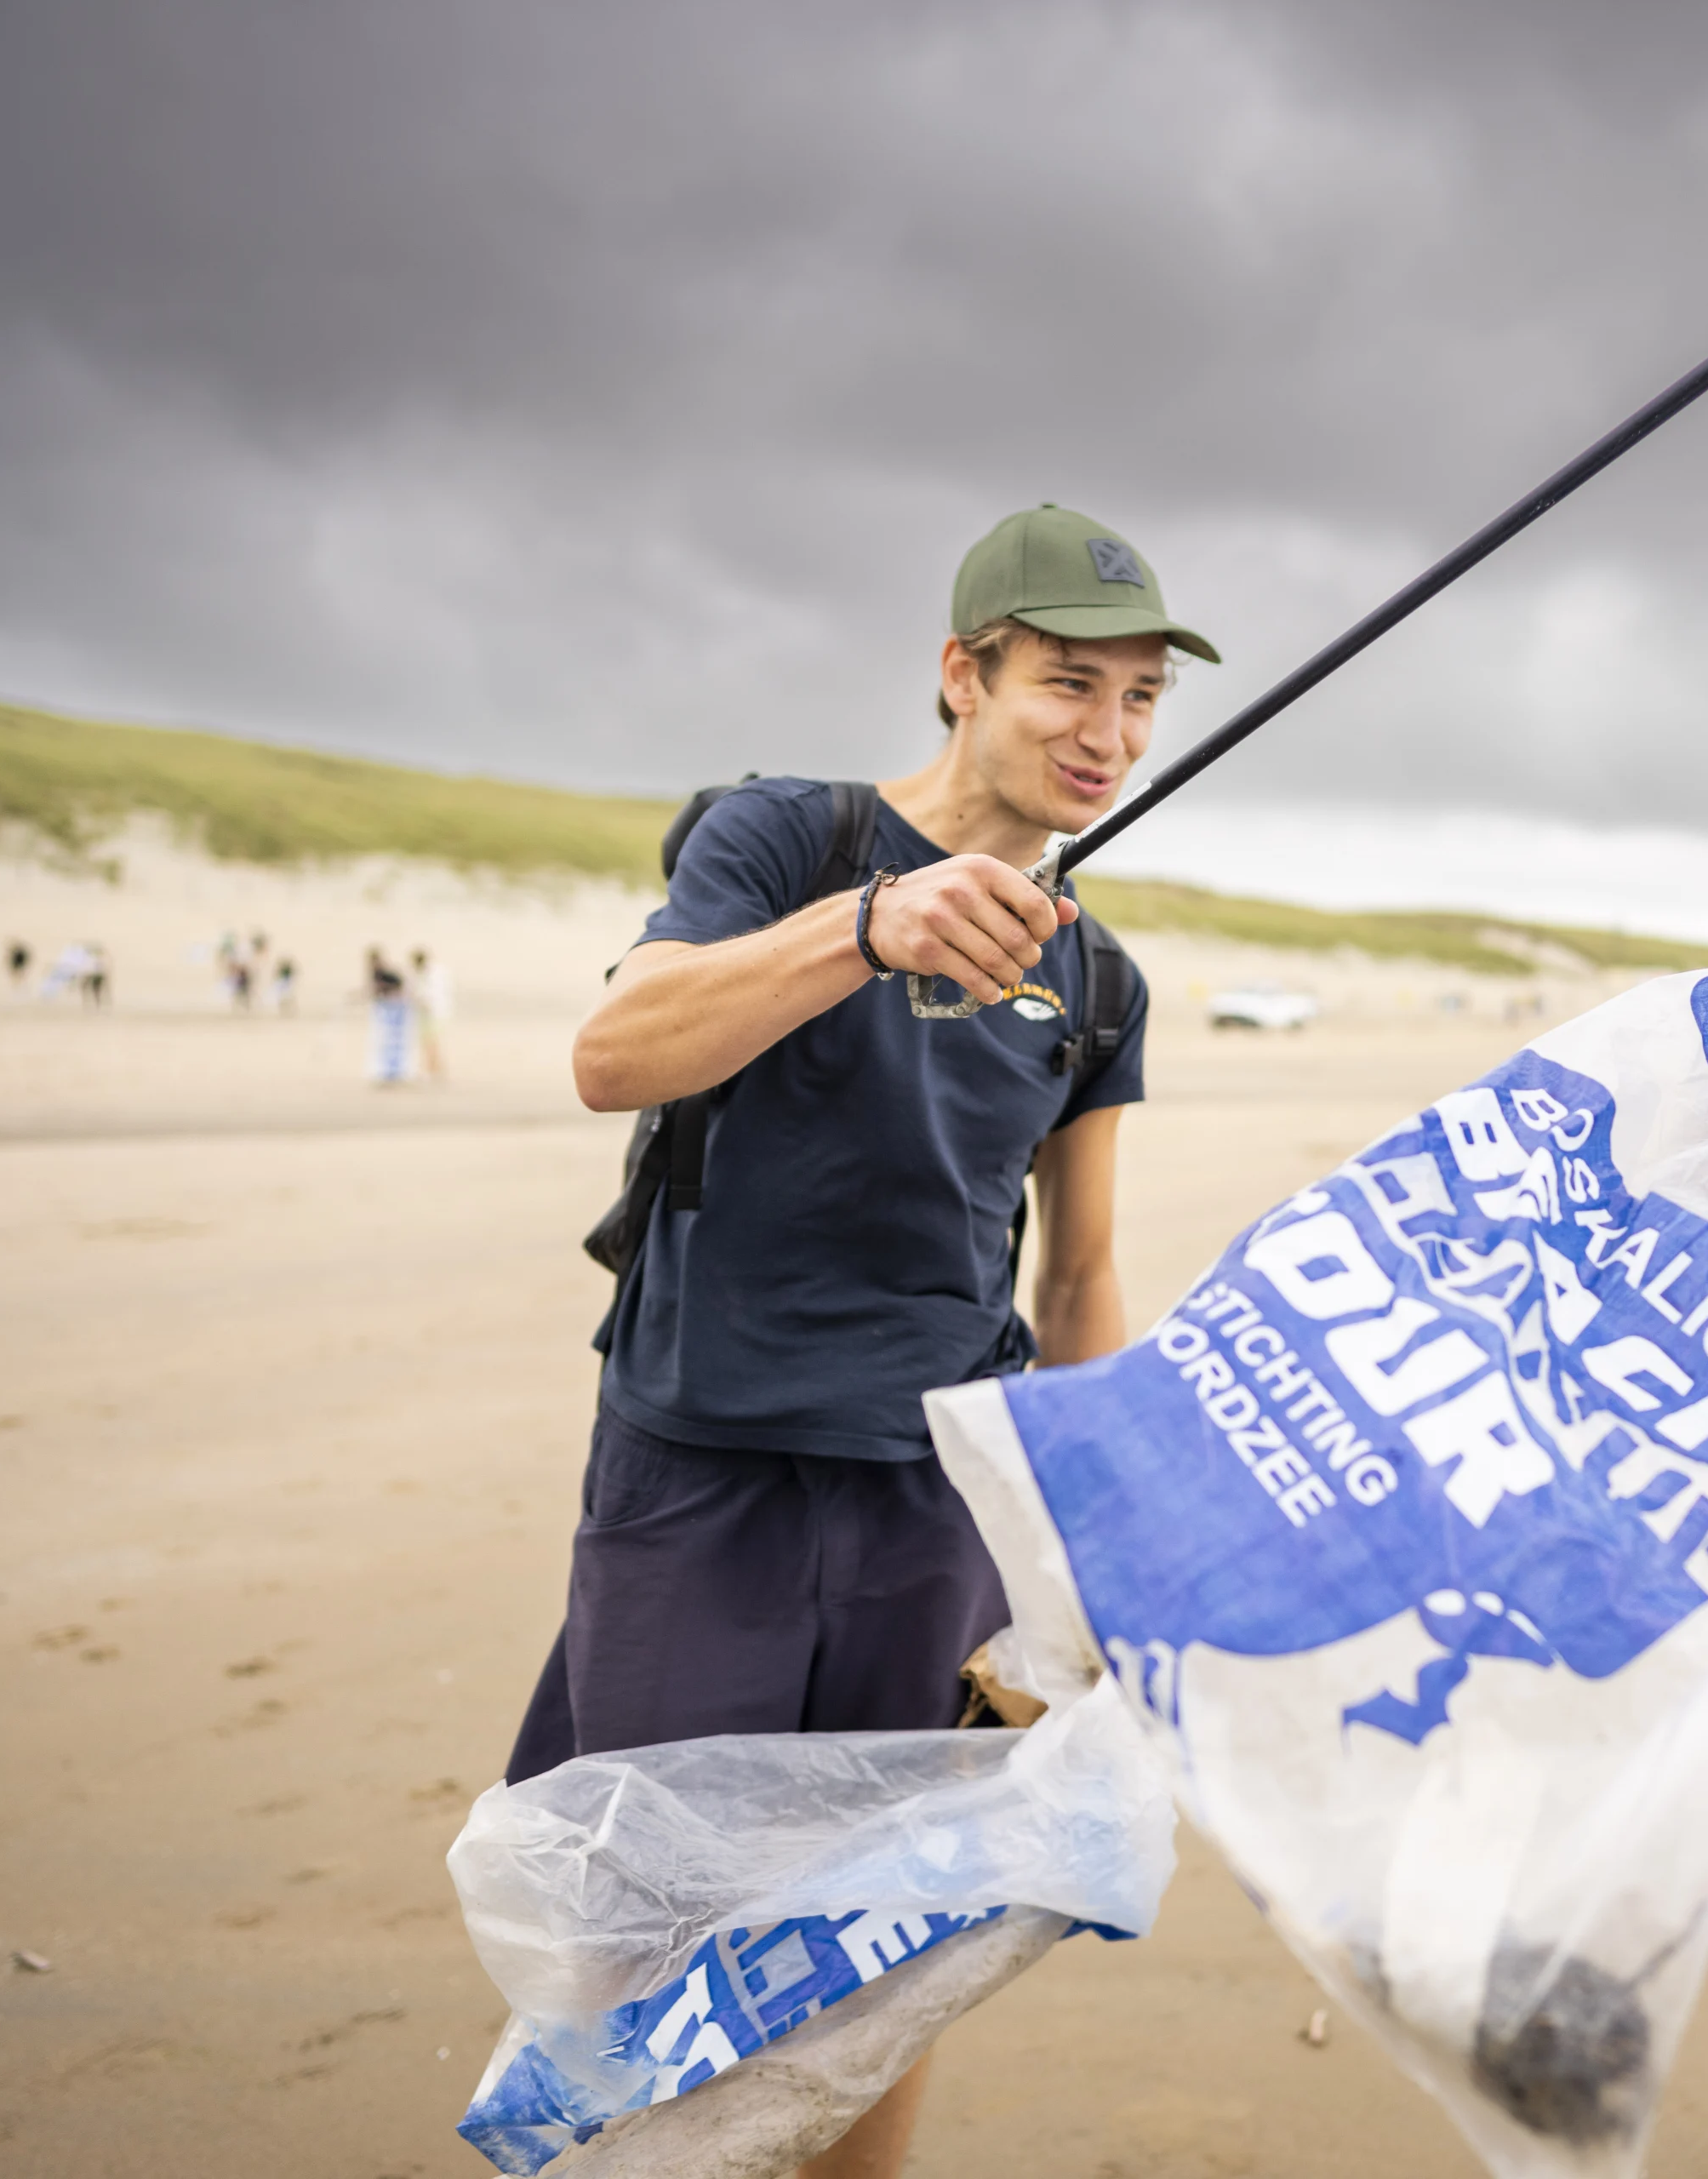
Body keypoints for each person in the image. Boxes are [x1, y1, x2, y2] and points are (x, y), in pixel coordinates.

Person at [501, 503, 1212, 2179]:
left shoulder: (1098, 981)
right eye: (1068, 683)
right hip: (704, 1469)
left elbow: (1082, 1276)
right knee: (644, 1922)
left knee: (880, 1949)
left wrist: (1088, 1555)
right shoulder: (782, 836)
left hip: (934, 1506)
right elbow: (616, 1054)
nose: (1108, 734)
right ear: (963, 674)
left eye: (1138, 698)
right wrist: (871, 925)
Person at [364, 946, 411, 1084]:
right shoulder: (378, 971)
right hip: (388, 1006)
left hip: (393, 1007)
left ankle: (394, 1070)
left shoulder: (384, 972)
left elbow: (394, 986)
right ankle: (388, 1070)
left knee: (392, 1040)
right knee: (387, 1041)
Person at [408, 946, 452, 1080]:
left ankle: (434, 1070)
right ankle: (433, 1069)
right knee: (427, 1043)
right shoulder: (419, 974)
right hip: (424, 1014)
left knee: (431, 1043)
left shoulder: (433, 974)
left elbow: (433, 994)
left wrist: (422, 1000)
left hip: (433, 1013)